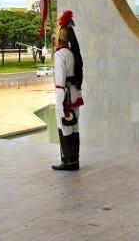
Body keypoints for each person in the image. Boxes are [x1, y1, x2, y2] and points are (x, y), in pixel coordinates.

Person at [52, 10, 84, 171]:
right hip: (75, 95)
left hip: (65, 96)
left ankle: (68, 161)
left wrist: (59, 105)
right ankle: (74, 160)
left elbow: (60, 83)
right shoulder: (72, 53)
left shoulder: (60, 55)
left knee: (64, 127)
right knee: (74, 127)